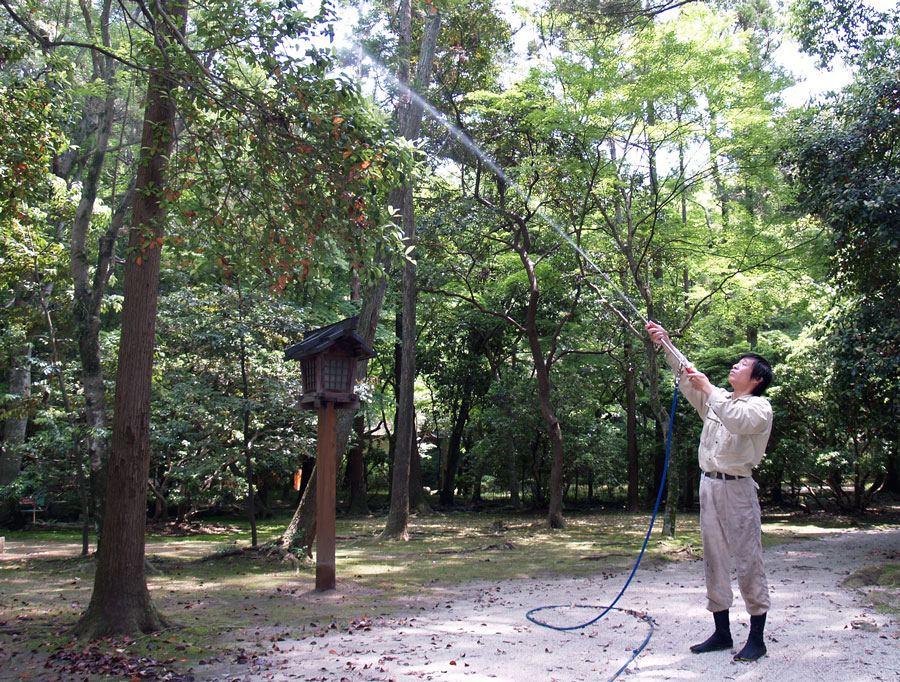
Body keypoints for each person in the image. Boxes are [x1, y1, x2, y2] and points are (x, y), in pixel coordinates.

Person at [646, 322, 773, 662]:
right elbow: (690, 377)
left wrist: (711, 390)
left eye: (744, 365)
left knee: (747, 560)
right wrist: (666, 343)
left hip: (738, 490)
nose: (736, 365)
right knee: (714, 559)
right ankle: (722, 633)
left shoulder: (759, 408)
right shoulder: (718, 401)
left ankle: (757, 638)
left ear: (757, 379)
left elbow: (736, 420)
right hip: (709, 486)